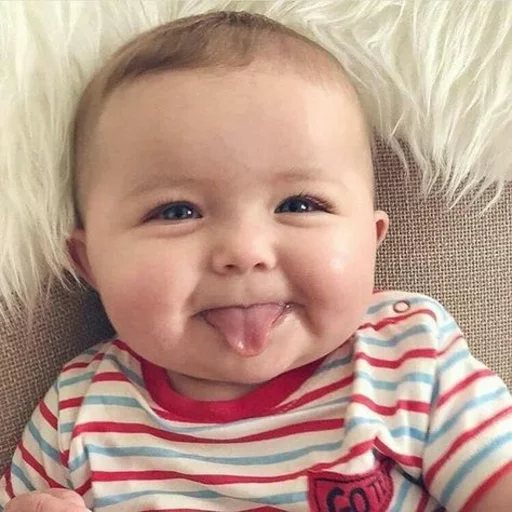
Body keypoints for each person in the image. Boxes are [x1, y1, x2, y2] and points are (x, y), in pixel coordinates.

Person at [1, 10, 511, 512]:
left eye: (300, 205)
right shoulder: (78, 408)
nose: (244, 252)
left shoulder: (407, 358)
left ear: (370, 240)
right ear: (90, 263)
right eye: (177, 212)